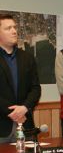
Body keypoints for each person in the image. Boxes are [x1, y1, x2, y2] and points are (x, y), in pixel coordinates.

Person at [0, 14, 41, 143]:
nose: (14, 31)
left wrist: (23, 108)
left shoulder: (27, 58)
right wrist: (14, 113)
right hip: (2, 128)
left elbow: (35, 89)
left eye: (15, 27)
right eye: (8, 28)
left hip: (26, 126)